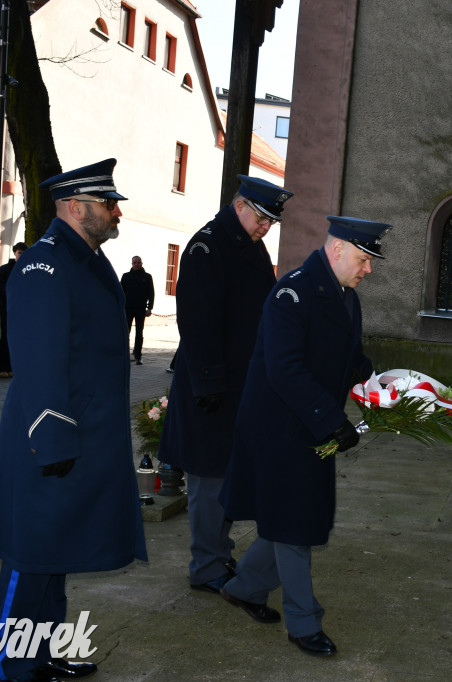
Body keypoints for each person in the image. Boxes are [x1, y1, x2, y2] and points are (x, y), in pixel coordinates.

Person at [0, 159, 148, 682]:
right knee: (30, 558)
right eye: (107, 202)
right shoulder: (44, 265)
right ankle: (11, 667)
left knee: (55, 558)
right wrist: (53, 440)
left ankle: (42, 655)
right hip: (48, 444)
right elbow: (40, 363)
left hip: (83, 438)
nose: (115, 211)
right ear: (76, 207)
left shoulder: (87, 260)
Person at [219, 215, 391, 657]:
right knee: (295, 524)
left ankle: (244, 588)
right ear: (337, 250)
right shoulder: (292, 291)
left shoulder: (345, 295)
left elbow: (348, 354)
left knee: (298, 516)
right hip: (278, 428)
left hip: (312, 426)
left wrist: (380, 385)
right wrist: (332, 419)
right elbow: (285, 368)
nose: (368, 267)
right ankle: (303, 621)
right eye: (363, 257)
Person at [157, 175, 292, 595]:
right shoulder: (208, 246)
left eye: (272, 221)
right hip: (210, 390)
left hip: (237, 385)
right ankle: (206, 567)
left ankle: (217, 553)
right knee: (209, 482)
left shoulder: (245, 243)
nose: (266, 227)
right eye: (262, 218)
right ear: (240, 206)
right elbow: (198, 322)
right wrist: (210, 384)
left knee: (227, 478)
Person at [0, 242, 27, 378]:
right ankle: (3, 367)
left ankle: (15, 367)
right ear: (14, 253)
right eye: (19, 252)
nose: (21, 255)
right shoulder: (5, 269)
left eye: (24, 253)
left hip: (23, 311)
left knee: (20, 339)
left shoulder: (28, 268)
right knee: (6, 338)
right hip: (8, 309)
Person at [120, 255, 155, 365]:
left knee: (139, 333)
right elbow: (120, 292)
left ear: (141, 263)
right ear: (132, 264)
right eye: (134, 263)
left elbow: (151, 293)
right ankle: (124, 354)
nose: (136, 264)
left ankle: (138, 356)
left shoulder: (147, 277)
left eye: (138, 262)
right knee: (126, 332)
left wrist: (150, 308)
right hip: (128, 308)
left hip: (141, 309)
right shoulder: (126, 277)